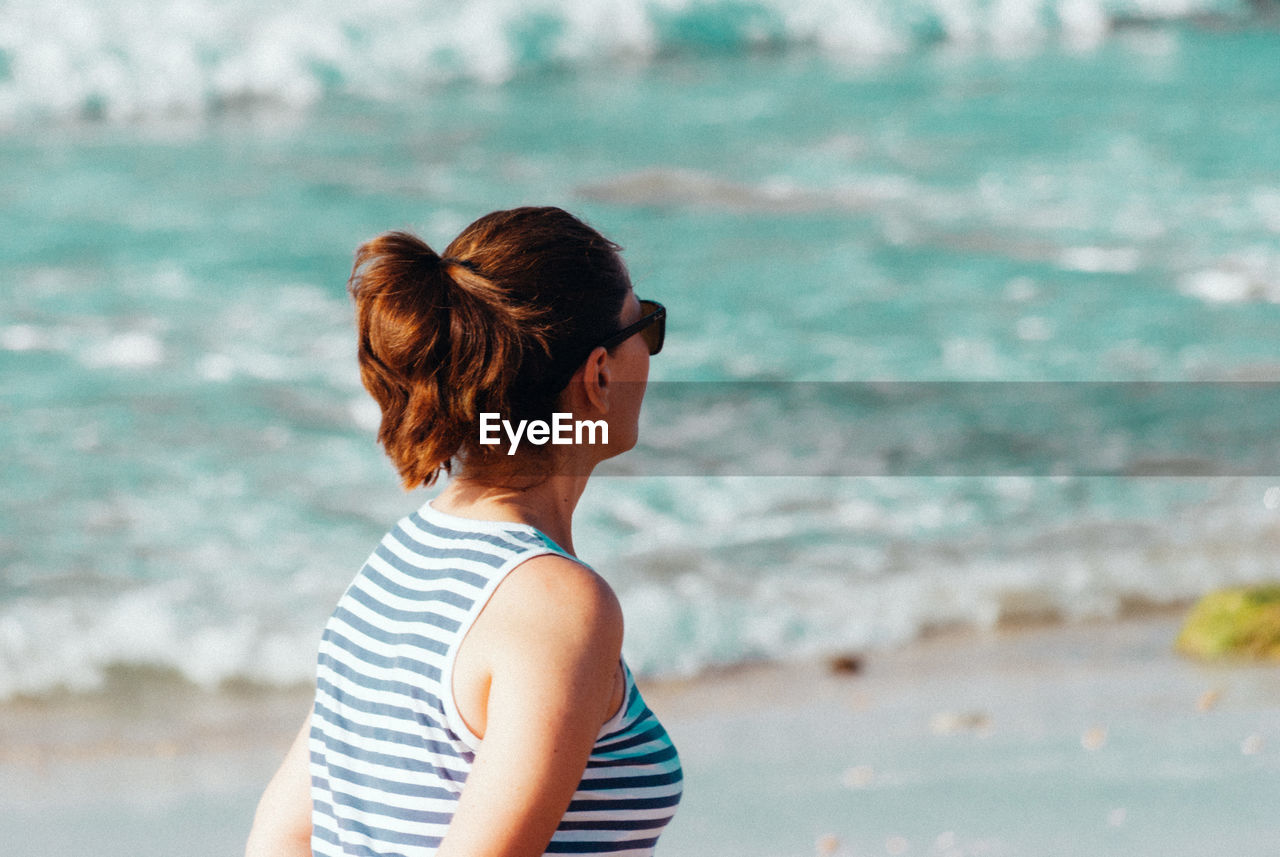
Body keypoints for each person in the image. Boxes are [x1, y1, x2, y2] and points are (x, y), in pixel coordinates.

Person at [245, 206, 681, 857]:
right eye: (646, 324)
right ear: (598, 375)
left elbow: (281, 834)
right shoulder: (557, 606)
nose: (650, 348)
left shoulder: (396, 564)